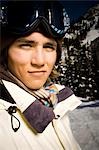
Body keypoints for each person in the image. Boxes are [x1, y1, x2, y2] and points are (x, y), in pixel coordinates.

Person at [0, 1, 82, 150]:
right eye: (26, 45)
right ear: (5, 52)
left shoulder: (53, 102)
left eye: (48, 47)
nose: (39, 61)